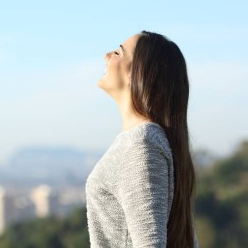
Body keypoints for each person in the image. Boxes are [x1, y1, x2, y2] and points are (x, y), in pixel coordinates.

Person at [85, 30, 199, 248]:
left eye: (118, 52)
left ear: (137, 73)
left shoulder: (141, 143)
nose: (107, 55)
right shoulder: (147, 140)